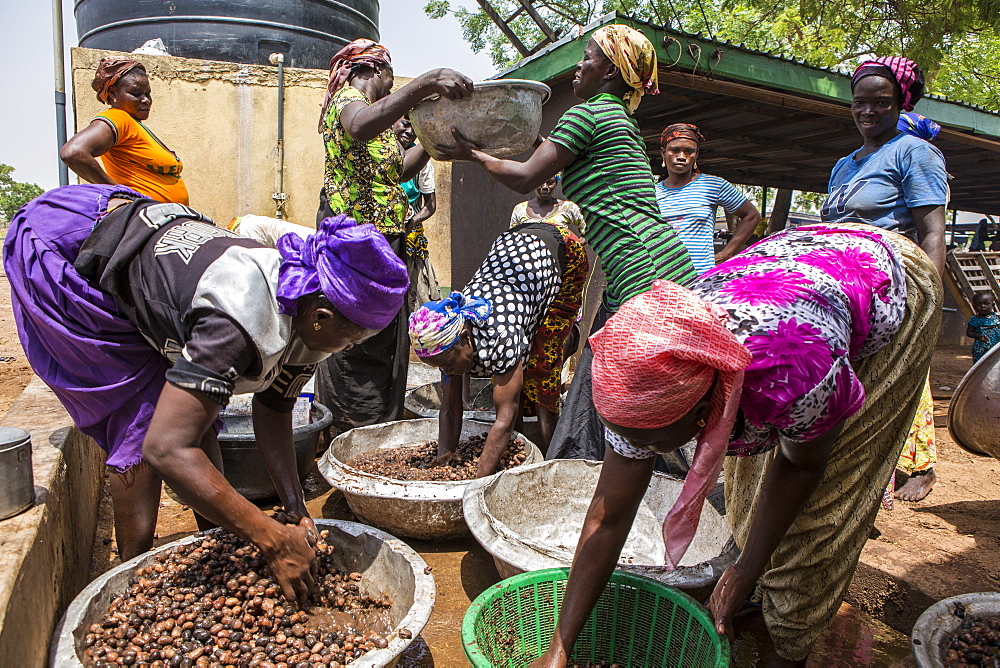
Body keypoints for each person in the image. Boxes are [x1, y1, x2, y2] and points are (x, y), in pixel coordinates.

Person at [530, 223, 941, 668]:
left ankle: (788, 645)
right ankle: (758, 580)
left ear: (699, 411)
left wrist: (748, 567)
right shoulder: (650, 368)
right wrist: (560, 648)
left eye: (646, 440)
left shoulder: (797, 373)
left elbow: (802, 467)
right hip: (800, 265)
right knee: (747, 506)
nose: (632, 449)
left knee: (818, 519)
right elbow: (609, 516)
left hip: (887, 284)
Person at [3, 184, 408, 603]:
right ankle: (129, 581)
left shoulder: (302, 300)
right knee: (142, 419)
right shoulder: (236, 321)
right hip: (66, 245)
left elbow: (274, 405)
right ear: (322, 317)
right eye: (351, 341)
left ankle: (216, 540)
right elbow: (166, 448)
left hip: (126, 223)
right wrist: (268, 537)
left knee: (197, 417)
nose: (351, 349)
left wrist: (294, 505)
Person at [436, 25, 696, 461]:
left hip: (639, 272)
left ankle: (593, 474)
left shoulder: (588, 114)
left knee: (620, 396)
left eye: (588, 57)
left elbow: (524, 177)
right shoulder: (621, 120)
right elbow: (551, 154)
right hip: (666, 266)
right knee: (604, 385)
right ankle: (587, 466)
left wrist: (473, 153)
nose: (579, 66)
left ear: (611, 69)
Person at [315, 38, 472, 435]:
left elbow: (398, 171)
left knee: (385, 339)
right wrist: (425, 82)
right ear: (375, 70)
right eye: (391, 77)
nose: (392, 85)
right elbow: (358, 127)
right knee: (354, 338)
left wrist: (434, 142)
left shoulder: (378, 119)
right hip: (355, 244)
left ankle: (377, 426)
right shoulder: (347, 102)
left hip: (385, 241)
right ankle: (348, 426)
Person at [822, 56, 948, 503]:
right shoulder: (843, 165)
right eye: (859, 103)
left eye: (881, 102)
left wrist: (924, 305)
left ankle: (904, 470)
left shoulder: (915, 152)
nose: (868, 111)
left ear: (901, 104)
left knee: (892, 383)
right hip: (840, 290)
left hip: (886, 287)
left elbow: (932, 233)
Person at [409, 216, 589, 463]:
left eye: (448, 364)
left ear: (464, 338)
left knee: (541, 366)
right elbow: (450, 410)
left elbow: (504, 418)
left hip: (563, 252)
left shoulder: (499, 336)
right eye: (440, 366)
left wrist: (473, 485)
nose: (447, 371)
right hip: (516, 246)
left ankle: (553, 457)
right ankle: (521, 445)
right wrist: (444, 459)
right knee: (517, 372)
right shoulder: (447, 342)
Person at [60, 57, 189, 205]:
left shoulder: (134, 124)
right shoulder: (118, 117)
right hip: (146, 219)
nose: (146, 99)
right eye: (136, 93)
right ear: (113, 93)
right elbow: (73, 153)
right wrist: (120, 194)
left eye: (147, 94)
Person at [655, 123, 760, 273]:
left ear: (696, 155)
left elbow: (751, 215)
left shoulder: (712, 185)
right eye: (675, 150)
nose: (681, 157)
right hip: (661, 276)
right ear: (663, 153)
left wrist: (725, 254)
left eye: (689, 151)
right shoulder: (652, 192)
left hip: (699, 278)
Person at [392, 117, 442, 310]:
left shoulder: (421, 160)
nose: (410, 131)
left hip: (409, 238)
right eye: (405, 124)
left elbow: (430, 205)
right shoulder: (378, 152)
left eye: (415, 127)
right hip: (380, 233)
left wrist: (413, 220)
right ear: (392, 124)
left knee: (415, 295)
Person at [509, 174, 586, 235]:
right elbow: (512, 236)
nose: (545, 187)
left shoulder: (567, 208)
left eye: (550, 183)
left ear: (556, 183)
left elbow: (587, 228)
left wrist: (574, 247)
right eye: (539, 182)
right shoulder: (520, 209)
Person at [968, 292, 1000, 363]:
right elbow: (969, 332)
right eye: (978, 304)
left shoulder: (996, 318)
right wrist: (979, 336)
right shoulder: (974, 319)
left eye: (986, 304)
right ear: (973, 306)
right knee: (980, 364)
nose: (982, 306)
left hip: (995, 347)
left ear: (993, 305)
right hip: (981, 348)